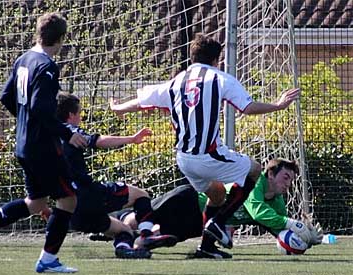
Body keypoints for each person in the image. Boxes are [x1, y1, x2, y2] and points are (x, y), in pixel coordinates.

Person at [110, 33, 301, 257]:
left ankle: (207, 248)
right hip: (208, 156)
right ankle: (217, 223)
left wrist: (119, 108)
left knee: (218, 194)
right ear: (216, 59)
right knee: (255, 169)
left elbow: (142, 102)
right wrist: (278, 105)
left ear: (192, 57)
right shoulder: (220, 78)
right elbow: (247, 107)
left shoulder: (175, 82)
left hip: (184, 159)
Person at [0, 13, 87, 274]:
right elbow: (41, 108)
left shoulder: (24, 59)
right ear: (61, 39)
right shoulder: (48, 66)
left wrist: (25, 121)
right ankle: (48, 260)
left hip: (23, 144)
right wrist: (66, 132)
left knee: (36, 203)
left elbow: (6, 95)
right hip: (42, 147)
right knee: (69, 200)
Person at [108, 158, 323, 258]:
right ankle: (114, 224)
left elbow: (279, 231)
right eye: (285, 177)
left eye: (291, 180)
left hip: (197, 224)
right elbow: (258, 211)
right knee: (138, 219)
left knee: (163, 239)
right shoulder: (256, 184)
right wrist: (290, 223)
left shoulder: (277, 203)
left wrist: (304, 240)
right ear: (270, 174)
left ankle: (130, 238)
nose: (287, 183)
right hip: (190, 199)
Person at [54, 92, 177, 258]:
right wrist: (131, 139)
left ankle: (124, 249)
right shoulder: (70, 131)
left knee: (123, 230)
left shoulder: (46, 135)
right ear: (71, 115)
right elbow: (98, 141)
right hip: (87, 195)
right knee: (141, 195)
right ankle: (147, 235)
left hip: (69, 209)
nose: (80, 118)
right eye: (79, 113)